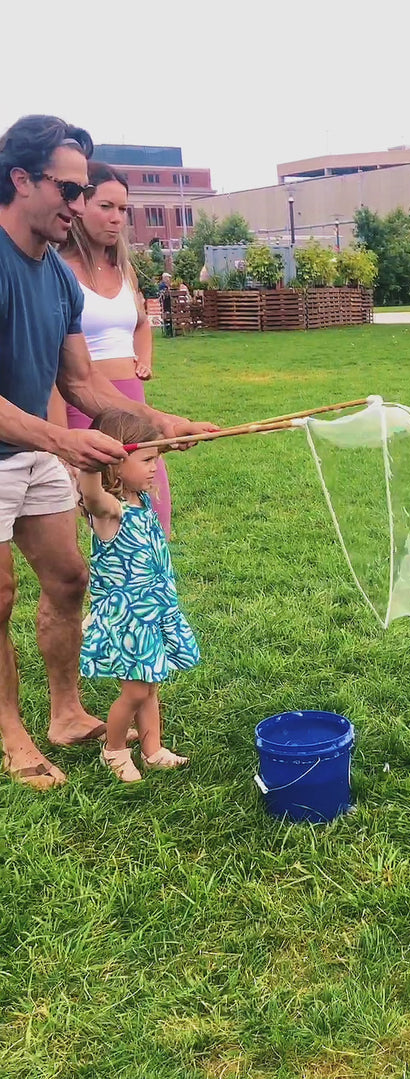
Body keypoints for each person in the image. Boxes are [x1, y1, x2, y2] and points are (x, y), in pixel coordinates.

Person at [0, 114, 215, 790]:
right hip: (17, 448)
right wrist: (61, 438)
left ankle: (66, 713)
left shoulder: (57, 280)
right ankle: (12, 733)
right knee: (0, 594)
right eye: (68, 189)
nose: (78, 202)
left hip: (31, 452)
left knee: (69, 579)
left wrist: (163, 421)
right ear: (21, 180)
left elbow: (83, 383)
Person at [48, 162, 172, 536]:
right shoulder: (57, 272)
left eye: (123, 209)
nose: (117, 218)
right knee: (103, 524)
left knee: (152, 516)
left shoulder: (123, 270)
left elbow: (141, 322)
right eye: (106, 206)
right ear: (80, 204)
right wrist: (60, 441)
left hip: (133, 404)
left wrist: (144, 360)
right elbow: (56, 366)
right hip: (82, 407)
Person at [78, 409, 199, 783]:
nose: (154, 468)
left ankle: (153, 749)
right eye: (146, 460)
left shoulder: (142, 502)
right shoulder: (110, 511)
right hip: (128, 620)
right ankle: (114, 750)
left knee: (150, 687)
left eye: (156, 458)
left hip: (152, 613)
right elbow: (91, 493)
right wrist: (92, 462)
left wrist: (170, 441)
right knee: (133, 692)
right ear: (115, 463)